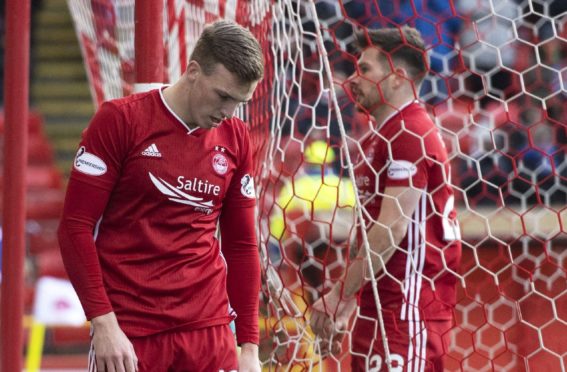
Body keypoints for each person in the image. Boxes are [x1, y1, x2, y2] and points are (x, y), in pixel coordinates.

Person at [58, 20, 263, 372]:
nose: (228, 112)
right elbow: (75, 227)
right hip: (130, 335)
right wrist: (103, 323)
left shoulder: (236, 137)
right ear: (194, 71)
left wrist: (249, 346)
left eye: (240, 102)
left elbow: (242, 244)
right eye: (224, 96)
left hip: (209, 331)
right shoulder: (120, 121)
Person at [310, 26, 462, 372]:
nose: (353, 80)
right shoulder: (381, 136)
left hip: (408, 310)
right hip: (379, 306)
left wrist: (338, 296)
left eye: (365, 69)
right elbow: (371, 229)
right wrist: (349, 306)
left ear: (397, 77)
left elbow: (391, 228)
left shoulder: (411, 133)